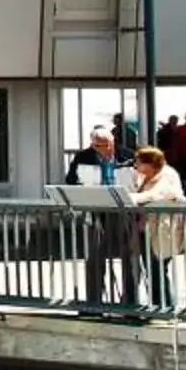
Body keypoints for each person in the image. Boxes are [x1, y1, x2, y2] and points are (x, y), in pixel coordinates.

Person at [62, 128, 128, 307]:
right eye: (99, 145)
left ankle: (129, 303)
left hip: (122, 211)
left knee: (129, 257)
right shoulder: (83, 157)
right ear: (92, 144)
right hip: (95, 211)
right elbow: (70, 180)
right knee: (94, 258)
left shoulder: (126, 156)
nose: (105, 148)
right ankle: (94, 302)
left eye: (108, 144)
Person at [123, 146, 186, 311]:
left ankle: (165, 308)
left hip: (164, 229)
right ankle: (157, 307)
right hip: (146, 228)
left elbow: (156, 194)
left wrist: (128, 198)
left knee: (157, 269)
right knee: (152, 270)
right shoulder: (144, 176)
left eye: (138, 162)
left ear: (150, 163)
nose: (135, 166)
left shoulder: (167, 174)